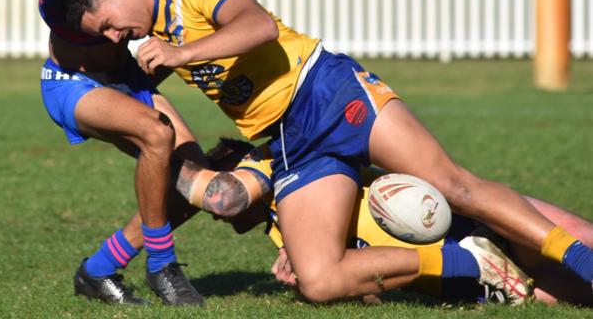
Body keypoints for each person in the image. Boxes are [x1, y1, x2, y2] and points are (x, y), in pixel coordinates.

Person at [62, 0, 593, 303]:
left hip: (328, 92)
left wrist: (183, 53)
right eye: (105, 35)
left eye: (108, 23)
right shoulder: (154, 31)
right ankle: (470, 262)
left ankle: (580, 259)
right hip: (291, 142)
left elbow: (258, 26)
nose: (116, 35)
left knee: (456, 187)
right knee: (317, 281)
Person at [0, 0, 204, 306]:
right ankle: (163, 266)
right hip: (70, 80)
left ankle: (99, 270)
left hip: (125, 75)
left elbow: (145, 2)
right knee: (155, 134)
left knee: (193, 182)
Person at [181, 138, 593, 306]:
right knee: (573, 297)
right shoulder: (287, 236)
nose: (214, 212)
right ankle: (478, 266)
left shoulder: (285, 161)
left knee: (582, 240)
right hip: (457, 275)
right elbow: (369, 289)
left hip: (465, 220)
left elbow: (225, 200)